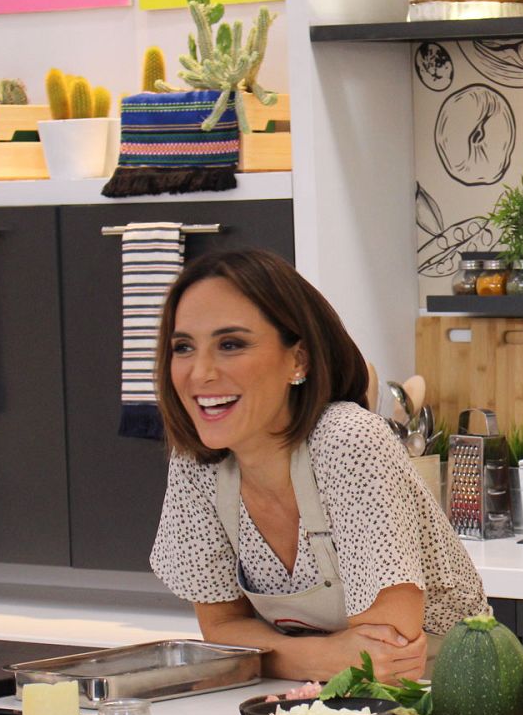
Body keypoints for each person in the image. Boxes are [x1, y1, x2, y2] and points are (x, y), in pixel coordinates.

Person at [149, 249, 487, 684]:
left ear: (299, 360)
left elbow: (386, 656)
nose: (200, 372)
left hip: (446, 695)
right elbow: (220, 630)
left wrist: (271, 655)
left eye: (231, 344)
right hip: (308, 695)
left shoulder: (348, 441)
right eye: (183, 347)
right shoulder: (197, 462)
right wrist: (319, 657)